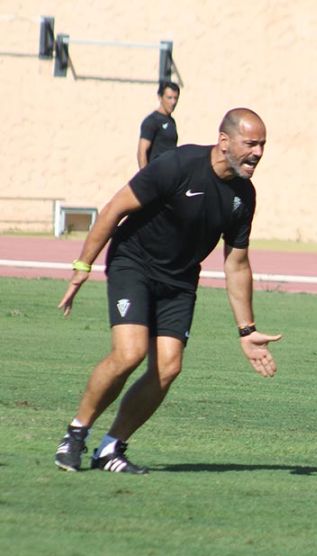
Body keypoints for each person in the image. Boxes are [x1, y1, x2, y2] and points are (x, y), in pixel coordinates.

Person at [54, 108, 282, 475]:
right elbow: (114, 209)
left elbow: (236, 263)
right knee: (129, 354)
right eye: (250, 143)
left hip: (179, 280)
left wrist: (247, 330)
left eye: (263, 145)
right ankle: (76, 433)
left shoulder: (244, 196)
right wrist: (83, 266)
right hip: (135, 263)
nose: (257, 152)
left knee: (168, 367)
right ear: (224, 142)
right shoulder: (177, 165)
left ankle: (111, 448)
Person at [137, 81, 180, 169]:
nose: (173, 102)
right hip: (156, 174)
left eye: (175, 98)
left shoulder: (171, 121)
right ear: (160, 97)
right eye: (169, 98)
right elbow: (141, 152)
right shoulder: (152, 121)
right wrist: (145, 178)